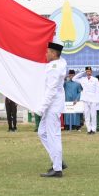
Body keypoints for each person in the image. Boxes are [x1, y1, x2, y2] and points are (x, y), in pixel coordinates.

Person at [38, 42, 67, 177]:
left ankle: (57, 169)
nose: (46, 53)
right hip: (52, 104)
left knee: (53, 135)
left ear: (54, 54)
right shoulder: (58, 63)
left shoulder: (55, 67)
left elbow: (51, 89)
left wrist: (42, 108)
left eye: (48, 51)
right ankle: (58, 161)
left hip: (52, 105)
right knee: (42, 132)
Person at [72, 66, 99, 135]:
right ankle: (89, 129)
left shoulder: (95, 79)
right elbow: (74, 79)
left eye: (89, 71)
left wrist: (97, 100)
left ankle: (93, 129)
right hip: (85, 99)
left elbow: (98, 90)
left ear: (91, 72)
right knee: (86, 115)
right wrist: (82, 73)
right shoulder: (82, 79)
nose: (88, 72)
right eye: (87, 71)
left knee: (93, 115)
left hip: (93, 99)